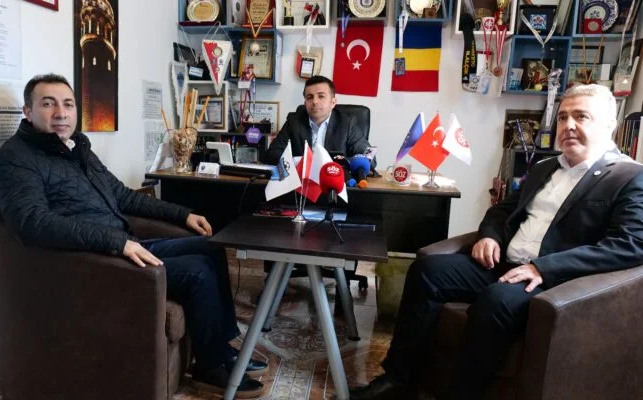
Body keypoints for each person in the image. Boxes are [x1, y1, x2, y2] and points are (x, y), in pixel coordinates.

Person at [350, 83, 643, 400]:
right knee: (426, 271)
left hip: (552, 281)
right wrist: (489, 235)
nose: (568, 125)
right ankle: (398, 380)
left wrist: (544, 268)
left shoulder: (628, 176)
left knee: (497, 299)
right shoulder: (545, 167)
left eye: (581, 117)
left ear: (609, 124)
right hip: (503, 263)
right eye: (563, 117)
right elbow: (503, 210)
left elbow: (631, 244)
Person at [0, 74, 266, 398]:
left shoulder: (78, 149)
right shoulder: (15, 158)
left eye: (68, 104)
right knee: (197, 271)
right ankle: (211, 368)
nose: (61, 113)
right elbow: (32, 222)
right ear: (28, 111)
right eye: (48, 104)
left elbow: (122, 195)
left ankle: (222, 348)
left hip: (125, 244)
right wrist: (117, 243)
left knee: (211, 247)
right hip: (98, 260)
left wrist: (183, 214)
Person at [264, 75, 372, 164]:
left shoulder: (347, 123)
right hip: (302, 181)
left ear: (333, 102)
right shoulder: (294, 121)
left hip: (336, 180)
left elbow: (369, 157)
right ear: (305, 103)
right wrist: (301, 162)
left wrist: (336, 163)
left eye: (321, 96)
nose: (315, 102)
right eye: (309, 97)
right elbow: (272, 155)